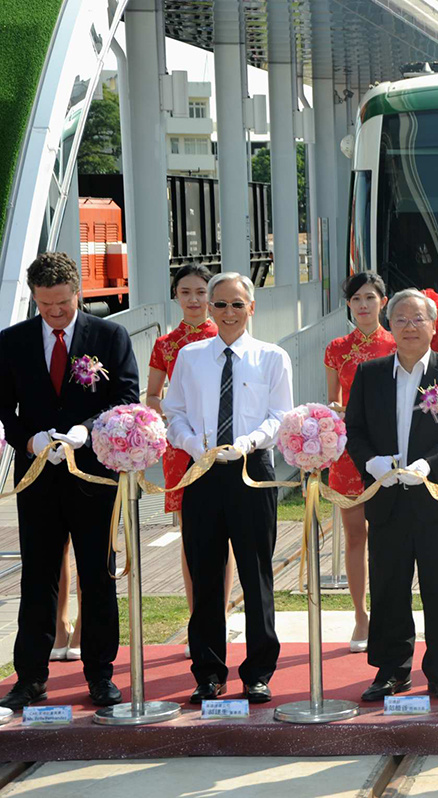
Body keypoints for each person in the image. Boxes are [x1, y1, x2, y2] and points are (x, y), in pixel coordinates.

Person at [0, 252, 139, 710]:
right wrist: (30, 440)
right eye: (45, 305)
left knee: (97, 574)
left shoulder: (108, 334)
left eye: (62, 303)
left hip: (93, 474)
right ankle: (31, 677)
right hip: (39, 474)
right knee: (38, 577)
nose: (55, 312)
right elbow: (5, 408)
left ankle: (100, 674)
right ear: (34, 300)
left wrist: (89, 427)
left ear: (77, 291)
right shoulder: (13, 341)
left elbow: (126, 396)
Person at [163, 272, 293, 705]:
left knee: (256, 575)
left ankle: (258, 671)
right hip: (201, 469)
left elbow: (279, 417)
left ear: (251, 307)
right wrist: (189, 442)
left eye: (237, 304)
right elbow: (174, 410)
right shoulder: (190, 355)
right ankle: (208, 671)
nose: (229, 313)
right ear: (209, 309)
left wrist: (248, 443)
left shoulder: (272, 357)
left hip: (251, 470)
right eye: (220, 304)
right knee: (205, 575)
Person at [346, 288, 438, 702]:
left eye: (418, 318)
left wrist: (429, 465)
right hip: (388, 498)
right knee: (388, 587)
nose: (409, 326)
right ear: (389, 325)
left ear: (434, 325)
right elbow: (355, 430)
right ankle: (391, 670)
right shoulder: (370, 373)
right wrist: (373, 464)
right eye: (400, 319)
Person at [146, 264, 233, 657]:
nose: (195, 300)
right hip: (181, 449)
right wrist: (173, 417)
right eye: (186, 292)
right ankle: (197, 615)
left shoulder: (225, 333)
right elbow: (151, 395)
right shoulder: (165, 344)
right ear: (176, 296)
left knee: (226, 536)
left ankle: (223, 615)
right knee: (191, 538)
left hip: (225, 447)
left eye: (202, 292)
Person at [324, 271, 395, 654]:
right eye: (356, 299)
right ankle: (360, 614)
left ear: (383, 301)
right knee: (355, 535)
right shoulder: (337, 348)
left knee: (390, 537)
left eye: (370, 297)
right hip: (349, 453)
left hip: (391, 452)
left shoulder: (399, 341)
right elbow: (333, 398)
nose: (363, 305)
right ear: (349, 305)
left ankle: (390, 613)